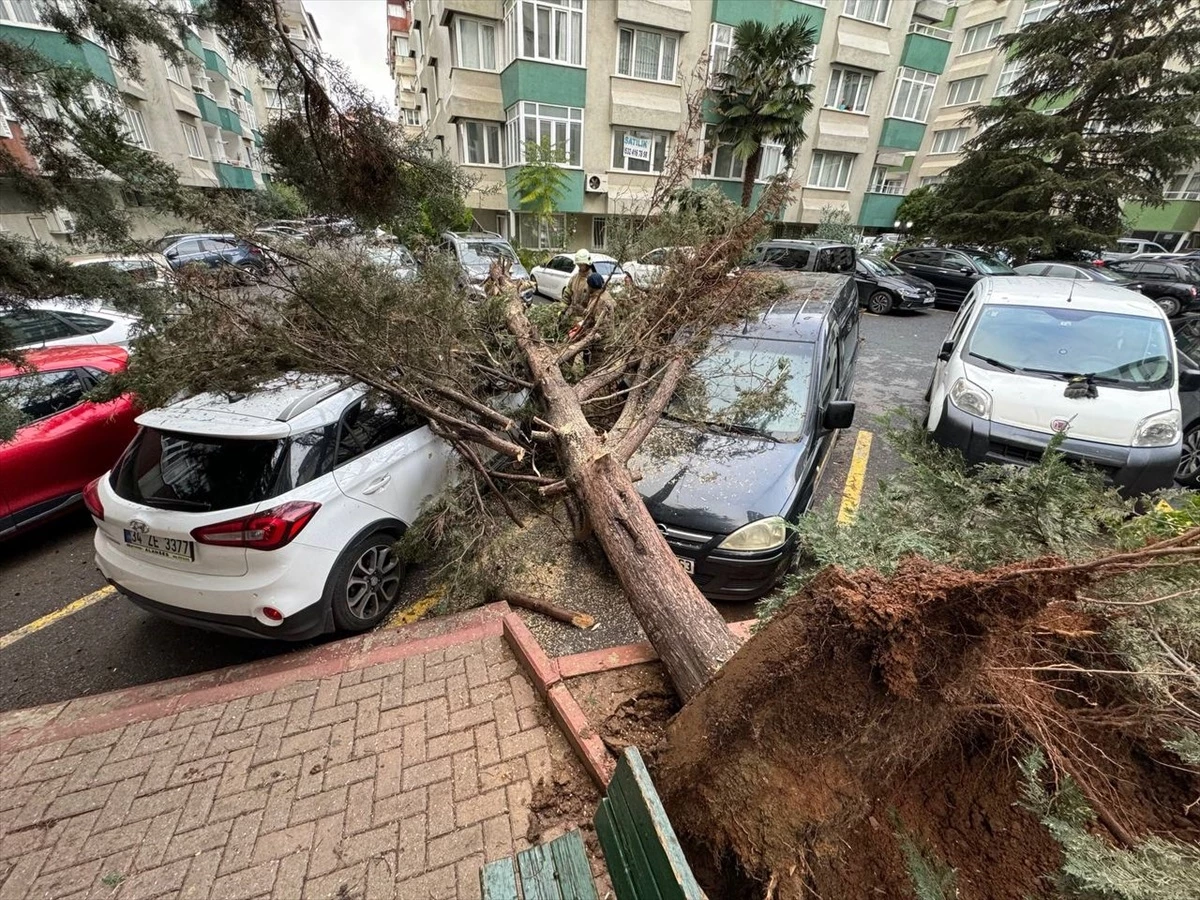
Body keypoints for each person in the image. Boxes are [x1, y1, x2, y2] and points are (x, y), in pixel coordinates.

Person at [561, 249, 596, 326]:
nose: (580, 266)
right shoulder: (574, 278)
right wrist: (562, 310)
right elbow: (567, 294)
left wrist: (587, 316)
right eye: (578, 264)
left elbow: (595, 301)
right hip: (571, 315)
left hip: (585, 319)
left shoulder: (593, 280)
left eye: (582, 264)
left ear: (587, 264)